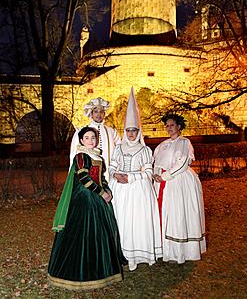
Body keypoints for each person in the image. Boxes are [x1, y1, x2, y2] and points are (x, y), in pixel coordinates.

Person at [48, 126, 127, 291]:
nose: (91, 140)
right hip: (84, 198)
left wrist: (107, 191)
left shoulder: (98, 156)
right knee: (81, 233)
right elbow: (84, 178)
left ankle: (101, 271)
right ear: (82, 140)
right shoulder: (81, 156)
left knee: (101, 233)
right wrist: (101, 193)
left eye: (93, 137)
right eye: (87, 138)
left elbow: (101, 179)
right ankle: (76, 272)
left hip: (97, 198)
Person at [109, 87, 162, 271]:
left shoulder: (145, 150)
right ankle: (119, 253)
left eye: (134, 130)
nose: (131, 133)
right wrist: (114, 174)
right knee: (120, 219)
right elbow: (112, 165)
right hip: (119, 189)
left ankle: (135, 254)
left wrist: (130, 177)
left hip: (137, 189)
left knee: (135, 220)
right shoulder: (118, 148)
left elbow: (148, 172)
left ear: (138, 131)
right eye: (128, 130)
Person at [153, 113, 206, 264]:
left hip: (178, 182)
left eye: (172, 125)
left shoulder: (185, 142)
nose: (169, 128)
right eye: (167, 126)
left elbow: (182, 163)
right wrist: (156, 175)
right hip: (162, 183)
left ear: (179, 126)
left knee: (178, 214)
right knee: (164, 214)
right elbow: (156, 162)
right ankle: (165, 249)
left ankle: (180, 252)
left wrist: (165, 176)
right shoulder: (162, 145)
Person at [84, 97, 121, 180]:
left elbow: (120, 150)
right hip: (89, 174)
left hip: (109, 173)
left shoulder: (111, 132)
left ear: (104, 114)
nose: (98, 114)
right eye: (96, 112)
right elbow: (74, 154)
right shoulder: (82, 131)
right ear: (91, 114)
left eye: (101, 112)